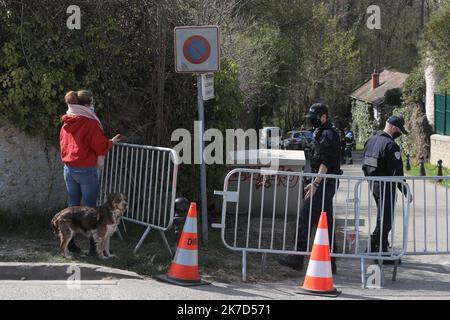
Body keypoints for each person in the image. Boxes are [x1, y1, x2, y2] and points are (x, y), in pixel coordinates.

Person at [278, 103, 343, 274]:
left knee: (305, 217)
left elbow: (326, 162)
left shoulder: (328, 134)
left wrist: (316, 183)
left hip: (324, 182)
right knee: (325, 222)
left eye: (315, 117)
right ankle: (330, 262)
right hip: (324, 181)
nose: (312, 120)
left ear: (324, 117)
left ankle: (297, 257)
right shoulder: (323, 132)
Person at [60, 90, 123, 254]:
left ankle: (70, 242)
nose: (93, 106)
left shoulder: (67, 121)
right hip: (86, 169)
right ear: (87, 105)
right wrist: (110, 142)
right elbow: (99, 146)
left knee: (73, 207)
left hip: (69, 168)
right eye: (92, 103)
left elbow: (63, 143)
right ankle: (94, 246)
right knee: (90, 210)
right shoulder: (90, 123)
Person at [362, 116, 412, 262]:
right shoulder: (391, 145)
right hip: (386, 186)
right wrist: (405, 190)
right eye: (398, 130)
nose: (398, 133)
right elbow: (397, 172)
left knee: (382, 217)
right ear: (392, 127)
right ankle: (373, 248)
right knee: (386, 220)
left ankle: (382, 250)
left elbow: (365, 165)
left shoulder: (370, 141)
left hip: (374, 184)